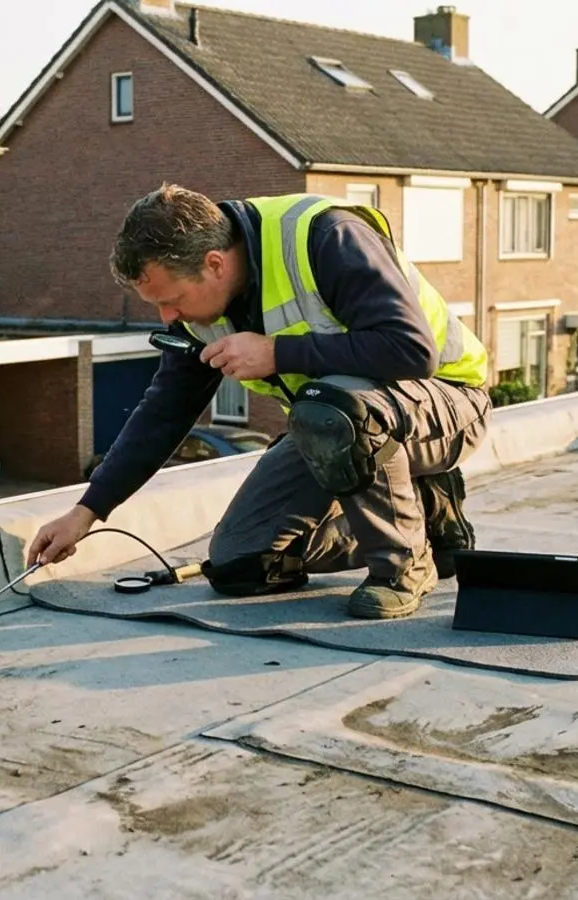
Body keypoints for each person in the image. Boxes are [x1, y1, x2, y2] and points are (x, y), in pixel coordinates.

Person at [25, 184, 492, 619]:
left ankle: (403, 566)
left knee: (333, 411)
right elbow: (163, 413)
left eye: (172, 300)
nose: (168, 316)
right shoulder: (199, 314)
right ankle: (427, 514)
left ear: (214, 264)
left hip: (450, 405)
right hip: (335, 426)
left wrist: (277, 352)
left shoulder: (327, 237)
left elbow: (412, 349)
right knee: (240, 566)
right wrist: (86, 512)